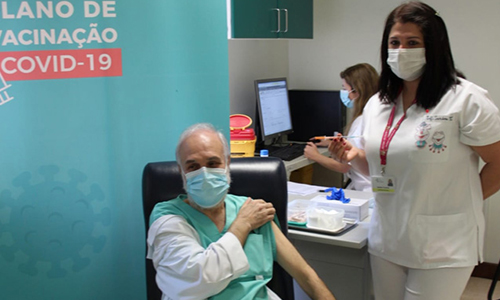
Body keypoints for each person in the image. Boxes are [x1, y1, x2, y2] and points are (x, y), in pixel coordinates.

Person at [329, 2, 500, 300]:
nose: (401, 50)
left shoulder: (465, 99)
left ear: (434, 48)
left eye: (412, 43)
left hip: (443, 242)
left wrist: (464, 199)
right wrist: (353, 157)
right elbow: (380, 169)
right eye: (395, 42)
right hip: (387, 238)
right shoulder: (378, 104)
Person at [146, 123, 336, 300]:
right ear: (181, 172)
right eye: (193, 166)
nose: (204, 174)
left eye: (213, 163)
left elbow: (306, 276)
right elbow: (200, 279)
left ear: (227, 163)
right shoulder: (168, 218)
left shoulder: (252, 209)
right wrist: (242, 225)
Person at [303, 63, 379, 192]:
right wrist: (333, 144)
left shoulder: (362, 121)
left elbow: (345, 166)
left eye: (345, 88)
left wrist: (315, 156)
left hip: (366, 190)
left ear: (357, 91)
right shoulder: (375, 115)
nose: (345, 94)